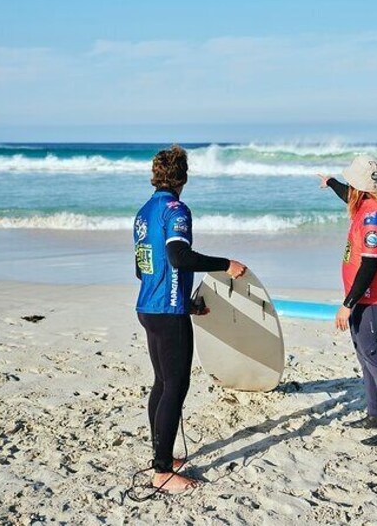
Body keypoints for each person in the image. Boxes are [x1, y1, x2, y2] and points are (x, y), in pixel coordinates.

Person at [134, 144, 247, 494]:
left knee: (162, 383)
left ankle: (160, 455)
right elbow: (179, 257)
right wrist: (225, 264)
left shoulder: (143, 212)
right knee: (176, 386)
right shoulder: (176, 210)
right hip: (167, 312)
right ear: (183, 177)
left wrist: (186, 303)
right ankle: (162, 472)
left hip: (149, 307)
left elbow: (142, 268)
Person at [318, 154, 377, 446]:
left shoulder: (374, 218)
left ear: (361, 187)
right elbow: (348, 195)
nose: (348, 189)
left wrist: (347, 304)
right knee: (366, 360)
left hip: (371, 300)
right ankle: (373, 415)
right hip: (363, 300)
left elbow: (368, 267)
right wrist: (331, 183)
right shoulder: (365, 204)